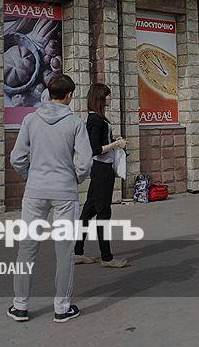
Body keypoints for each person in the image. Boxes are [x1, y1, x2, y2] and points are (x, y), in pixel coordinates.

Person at [8, 74, 93, 324]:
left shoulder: (30, 120)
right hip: (64, 192)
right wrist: (74, 178)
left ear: (49, 92)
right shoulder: (75, 124)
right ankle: (62, 307)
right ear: (69, 95)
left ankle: (20, 306)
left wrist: (31, 175)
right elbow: (85, 163)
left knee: (27, 247)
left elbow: (16, 158)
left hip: (35, 191)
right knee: (64, 250)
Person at [73, 83, 129, 268]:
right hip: (102, 170)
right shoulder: (95, 120)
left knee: (88, 211)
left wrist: (113, 140)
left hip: (102, 169)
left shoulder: (98, 118)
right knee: (103, 213)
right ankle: (107, 258)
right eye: (108, 95)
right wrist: (116, 145)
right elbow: (95, 149)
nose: (110, 98)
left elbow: (100, 143)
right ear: (100, 98)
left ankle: (77, 252)